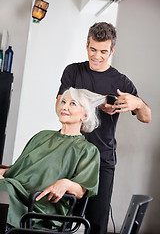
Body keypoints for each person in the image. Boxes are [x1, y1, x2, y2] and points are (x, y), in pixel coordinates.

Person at [56, 22, 151, 234]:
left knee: (96, 225)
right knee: (57, 220)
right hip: (69, 156)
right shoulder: (73, 72)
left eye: (103, 51)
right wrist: (96, 104)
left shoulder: (120, 82)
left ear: (112, 50)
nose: (97, 56)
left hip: (102, 161)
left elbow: (146, 117)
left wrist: (137, 104)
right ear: (86, 45)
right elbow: (58, 106)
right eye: (93, 49)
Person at [0, 87, 106, 231]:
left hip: (40, 207)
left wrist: (66, 183)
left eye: (73, 104)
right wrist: (3, 173)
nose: (64, 107)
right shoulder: (41, 136)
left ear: (85, 115)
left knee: (3, 189)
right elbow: (18, 169)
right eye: (63, 102)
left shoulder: (87, 150)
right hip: (12, 190)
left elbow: (82, 190)